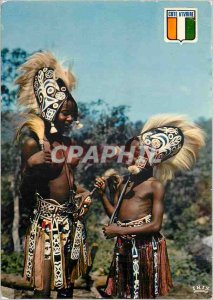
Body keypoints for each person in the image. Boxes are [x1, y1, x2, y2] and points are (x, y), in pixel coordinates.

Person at [95, 114, 205, 299]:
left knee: (142, 293)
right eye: (129, 152)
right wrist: (102, 195)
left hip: (145, 248)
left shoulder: (155, 186)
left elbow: (155, 226)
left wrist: (118, 231)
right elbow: (115, 216)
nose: (131, 157)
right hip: (124, 246)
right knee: (124, 293)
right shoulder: (123, 183)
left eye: (137, 153)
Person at [15, 52, 91, 298]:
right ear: (49, 110)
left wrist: (81, 195)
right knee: (43, 289)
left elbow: (68, 183)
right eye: (65, 113)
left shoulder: (68, 143)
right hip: (46, 226)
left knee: (67, 288)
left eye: (73, 115)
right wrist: (31, 165)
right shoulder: (33, 144)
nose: (70, 119)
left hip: (70, 223)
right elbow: (23, 190)